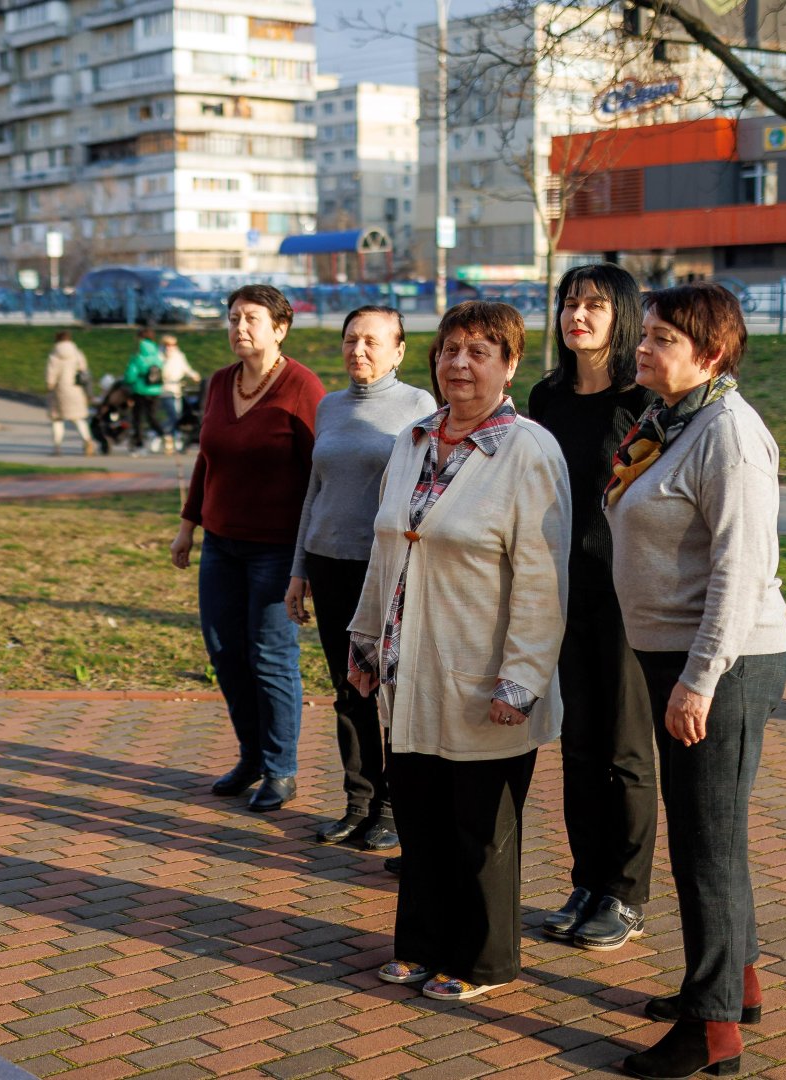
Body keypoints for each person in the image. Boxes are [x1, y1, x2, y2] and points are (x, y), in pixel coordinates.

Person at [348, 301, 571, 1002]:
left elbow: (544, 576)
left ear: (509, 365)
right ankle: (419, 944)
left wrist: (522, 679)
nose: (460, 364)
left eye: (479, 351)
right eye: (449, 350)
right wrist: (363, 637)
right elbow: (383, 549)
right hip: (406, 666)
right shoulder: (412, 439)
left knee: (480, 827)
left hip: (483, 672)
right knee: (419, 818)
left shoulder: (528, 450)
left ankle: (481, 960)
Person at [607, 283, 786, 1080]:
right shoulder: (667, 420)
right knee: (711, 834)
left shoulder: (729, 436)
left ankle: (710, 1029)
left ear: (709, 355)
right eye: (643, 334)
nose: (642, 348)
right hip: (675, 653)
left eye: (660, 339)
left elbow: (739, 571)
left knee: (705, 845)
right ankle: (732, 983)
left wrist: (699, 679)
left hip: (721, 661)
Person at [527, 264, 660, 952]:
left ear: (623, 316)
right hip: (558, 591)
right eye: (569, 303)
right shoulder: (545, 397)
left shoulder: (643, 402)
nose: (576, 314)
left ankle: (625, 894)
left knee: (625, 748)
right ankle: (587, 879)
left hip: (625, 596)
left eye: (593, 305)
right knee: (576, 745)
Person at [284, 307, 435, 853]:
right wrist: (299, 569)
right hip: (328, 563)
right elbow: (313, 493)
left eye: (373, 341)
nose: (359, 351)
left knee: (390, 689)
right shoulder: (328, 407)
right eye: (351, 340)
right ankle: (358, 802)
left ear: (398, 350)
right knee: (348, 691)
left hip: (386, 570)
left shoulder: (419, 405)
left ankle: (393, 808)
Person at [171, 285, 326, 812]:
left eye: (251, 319)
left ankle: (282, 769)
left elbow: (317, 477)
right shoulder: (219, 383)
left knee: (271, 657)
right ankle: (252, 757)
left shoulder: (302, 387)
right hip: (220, 544)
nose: (239, 327)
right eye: (233, 318)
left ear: (279, 328)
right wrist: (188, 525)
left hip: (276, 550)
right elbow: (206, 458)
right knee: (225, 652)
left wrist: (305, 562)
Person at [45, 329, 94, 455]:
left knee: (57, 419)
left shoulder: (54, 356)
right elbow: (84, 371)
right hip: (76, 389)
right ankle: (87, 441)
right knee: (78, 418)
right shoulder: (77, 353)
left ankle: (57, 447)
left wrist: (49, 387)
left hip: (59, 391)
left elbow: (50, 377)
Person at [123, 328, 167, 453]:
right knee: (152, 416)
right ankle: (164, 434)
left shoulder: (138, 355)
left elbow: (131, 375)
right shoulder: (157, 354)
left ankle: (139, 443)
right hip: (156, 390)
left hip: (141, 390)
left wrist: (127, 381)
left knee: (138, 418)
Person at [159, 332, 197, 437]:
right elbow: (159, 372)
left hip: (177, 390)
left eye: (172, 344)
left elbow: (186, 368)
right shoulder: (159, 356)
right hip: (165, 390)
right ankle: (158, 432)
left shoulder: (179, 355)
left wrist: (194, 375)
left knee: (178, 415)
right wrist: (166, 358)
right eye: (167, 344)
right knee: (173, 416)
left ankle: (173, 437)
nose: (170, 347)